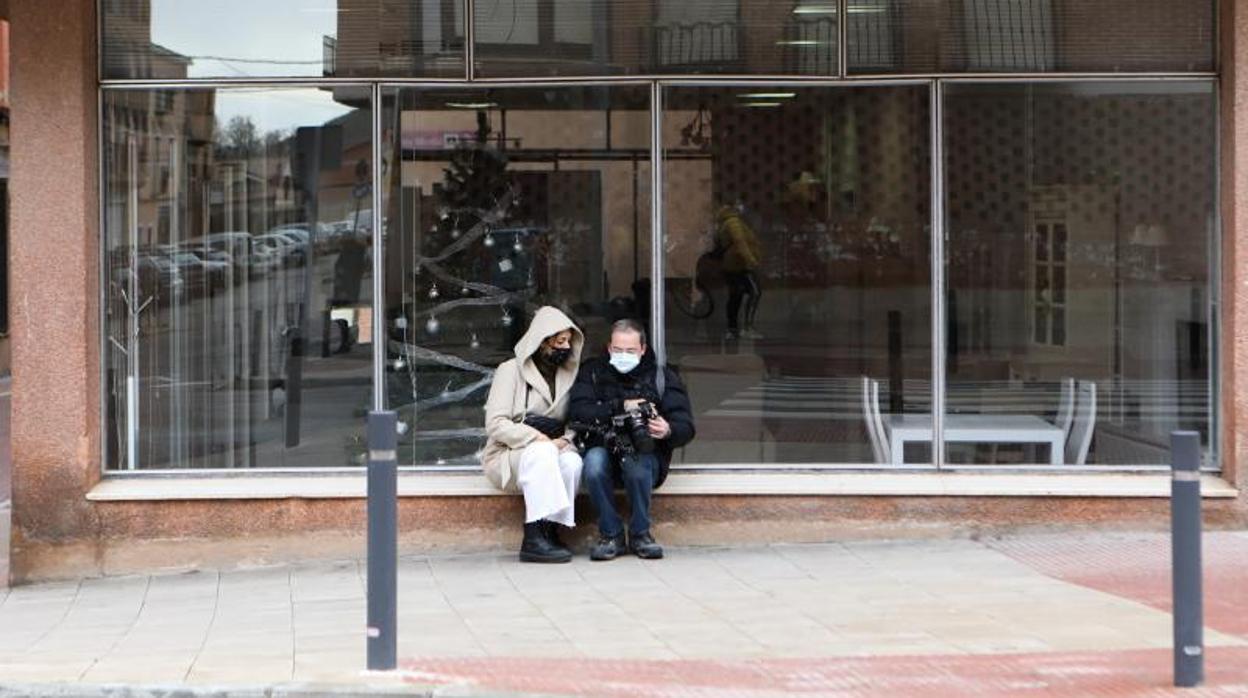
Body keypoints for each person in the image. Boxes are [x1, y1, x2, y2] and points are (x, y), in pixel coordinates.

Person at [569, 319, 696, 561]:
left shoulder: (661, 377)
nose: (623, 355)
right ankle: (611, 534)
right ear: (609, 348)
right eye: (618, 350)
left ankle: (641, 533)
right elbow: (577, 411)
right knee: (594, 465)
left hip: (645, 455)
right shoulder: (593, 372)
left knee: (636, 464)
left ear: (643, 350)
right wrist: (619, 407)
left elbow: (686, 425)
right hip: (603, 448)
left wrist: (667, 430)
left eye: (630, 351)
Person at [481, 306, 585, 563]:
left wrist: (566, 440)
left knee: (572, 462)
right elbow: (496, 423)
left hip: (554, 446)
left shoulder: (568, 376)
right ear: (542, 341)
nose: (565, 347)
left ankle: (551, 530)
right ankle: (533, 535)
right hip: (509, 454)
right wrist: (535, 438)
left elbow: (577, 419)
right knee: (542, 451)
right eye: (559, 341)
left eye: (568, 342)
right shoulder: (510, 371)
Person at [714, 204, 763, 339]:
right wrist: (751, 260)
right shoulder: (734, 223)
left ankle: (732, 328)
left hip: (731, 264)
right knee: (755, 292)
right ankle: (747, 327)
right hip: (740, 264)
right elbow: (740, 242)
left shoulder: (725, 223)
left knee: (736, 296)